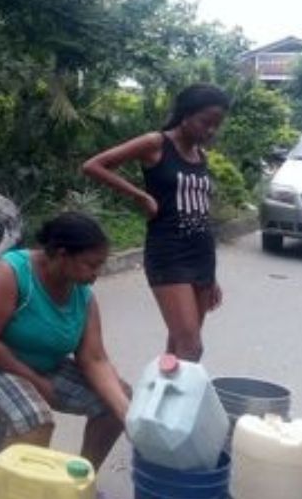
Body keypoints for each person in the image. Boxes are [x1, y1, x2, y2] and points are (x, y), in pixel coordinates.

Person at [0, 212, 130, 471]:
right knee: (34, 419)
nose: (96, 274)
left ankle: (78, 482)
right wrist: (34, 381)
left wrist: (125, 411)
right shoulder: (11, 273)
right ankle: (15, 496)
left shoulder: (83, 294)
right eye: (90, 265)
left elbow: (94, 358)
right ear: (61, 254)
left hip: (41, 366)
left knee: (115, 402)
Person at [82, 84, 230, 361]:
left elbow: (201, 213)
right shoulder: (156, 144)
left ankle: (161, 401)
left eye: (216, 125)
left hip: (202, 255)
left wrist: (212, 276)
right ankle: (175, 403)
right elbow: (94, 166)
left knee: (178, 347)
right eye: (205, 122)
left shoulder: (201, 156)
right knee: (191, 348)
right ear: (185, 115)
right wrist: (140, 196)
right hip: (169, 253)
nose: (210, 131)